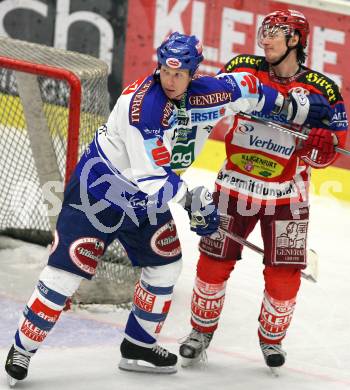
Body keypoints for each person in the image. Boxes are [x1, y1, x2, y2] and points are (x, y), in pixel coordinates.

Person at [4, 31, 330, 385]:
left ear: (193, 74)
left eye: (179, 74)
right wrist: (195, 204)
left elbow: (250, 89)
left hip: (146, 199)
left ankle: (138, 344)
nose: (170, 80)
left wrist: (298, 109)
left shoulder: (211, 92)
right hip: (99, 193)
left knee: (165, 266)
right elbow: (153, 176)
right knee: (65, 275)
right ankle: (22, 348)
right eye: (165, 71)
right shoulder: (143, 106)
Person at [179, 10, 348, 372]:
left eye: (275, 33)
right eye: (264, 31)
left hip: (289, 195)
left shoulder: (324, 88)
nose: (265, 39)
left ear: (295, 41)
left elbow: (335, 146)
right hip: (234, 186)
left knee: (283, 273)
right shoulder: (242, 67)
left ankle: (271, 339)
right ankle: (199, 333)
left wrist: (323, 143)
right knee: (213, 261)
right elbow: (212, 99)